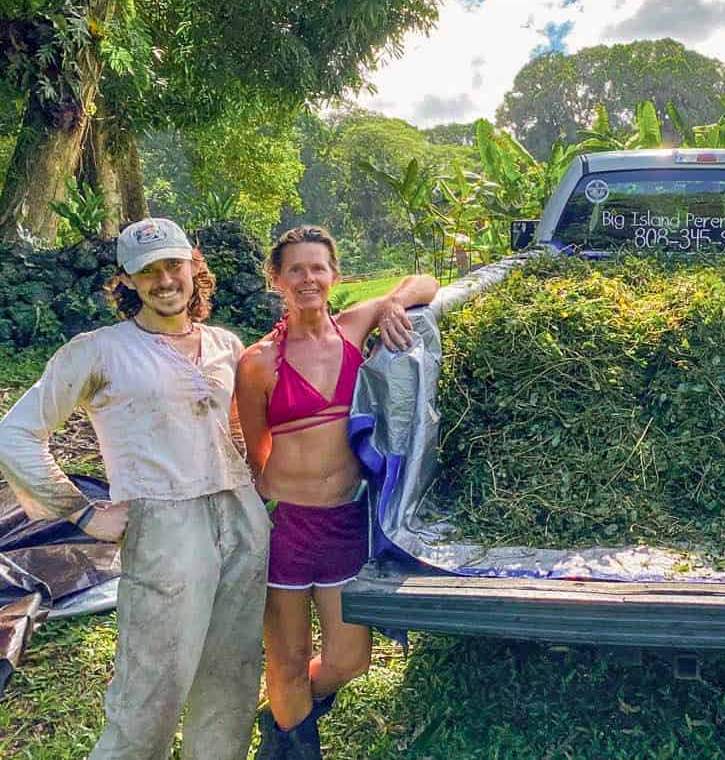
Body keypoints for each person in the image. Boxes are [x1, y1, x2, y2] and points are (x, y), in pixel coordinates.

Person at [0, 218, 268, 760]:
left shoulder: (225, 344)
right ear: (127, 280)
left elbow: (235, 427)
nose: (164, 280)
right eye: (148, 271)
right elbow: (16, 432)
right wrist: (81, 513)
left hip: (239, 517)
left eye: (173, 265)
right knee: (152, 684)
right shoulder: (99, 351)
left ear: (195, 266)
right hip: (163, 522)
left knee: (231, 674)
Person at [236, 225, 438, 757]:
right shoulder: (258, 362)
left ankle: (279, 719)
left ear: (334, 275)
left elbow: (429, 282)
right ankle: (295, 741)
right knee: (288, 657)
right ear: (277, 279)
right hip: (285, 527)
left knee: (351, 659)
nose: (308, 279)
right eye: (295, 269)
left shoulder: (353, 328)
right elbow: (254, 449)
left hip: (345, 522)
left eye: (318, 268)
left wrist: (393, 303)